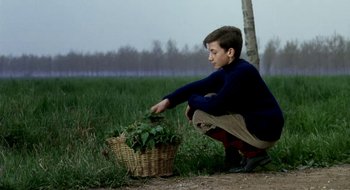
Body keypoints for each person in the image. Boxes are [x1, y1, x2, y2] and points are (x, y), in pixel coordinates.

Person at [150, 26, 284, 173]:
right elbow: (199, 86)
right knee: (208, 98)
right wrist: (169, 101)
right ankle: (234, 160)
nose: (210, 57)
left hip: (264, 131)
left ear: (230, 52)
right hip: (261, 126)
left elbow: (216, 107)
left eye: (213, 52)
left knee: (198, 116)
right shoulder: (232, 70)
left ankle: (254, 155)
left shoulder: (239, 73)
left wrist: (192, 101)